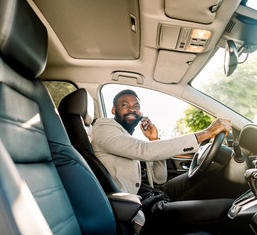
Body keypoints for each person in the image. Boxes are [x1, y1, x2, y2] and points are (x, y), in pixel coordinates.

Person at [91, 89, 234, 234]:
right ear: (113, 110)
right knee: (231, 207)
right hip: (142, 206)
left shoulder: (128, 139)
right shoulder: (103, 126)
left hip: (156, 193)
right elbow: (145, 150)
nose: (132, 109)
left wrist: (154, 139)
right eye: (125, 105)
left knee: (209, 176)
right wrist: (205, 134)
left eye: (136, 106)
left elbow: (160, 178)